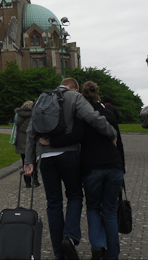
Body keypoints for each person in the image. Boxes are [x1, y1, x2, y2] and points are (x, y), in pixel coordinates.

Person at [24, 78, 117, 260]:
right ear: (74, 88)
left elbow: (30, 132)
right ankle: (70, 236)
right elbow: (92, 117)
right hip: (69, 154)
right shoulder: (74, 97)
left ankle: (60, 253)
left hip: (45, 157)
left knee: (53, 203)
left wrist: (29, 161)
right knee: (75, 195)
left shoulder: (42, 98)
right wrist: (111, 133)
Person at [47, 82, 125, 260]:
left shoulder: (81, 116)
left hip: (92, 168)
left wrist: (51, 142)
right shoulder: (110, 113)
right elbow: (119, 143)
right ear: (99, 94)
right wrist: (122, 168)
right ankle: (112, 254)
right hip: (115, 166)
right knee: (110, 211)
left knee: (93, 208)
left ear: (81, 95)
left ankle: (97, 244)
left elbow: (74, 137)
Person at [12, 100, 40, 187]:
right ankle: (35, 179)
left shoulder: (17, 115)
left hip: (21, 140)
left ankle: (27, 182)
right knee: (34, 161)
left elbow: (15, 127)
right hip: (32, 140)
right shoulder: (34, 115)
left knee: (25, 161)